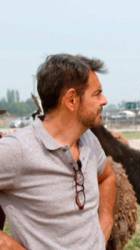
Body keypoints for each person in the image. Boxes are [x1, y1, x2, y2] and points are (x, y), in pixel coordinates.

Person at [0, 54, 116, 249]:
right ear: (71, 100)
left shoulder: (89, 140)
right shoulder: (17, 150)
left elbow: (107, 176)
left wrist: (104, 227)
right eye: (97, 94)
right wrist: (9, 245)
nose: (104, 101)